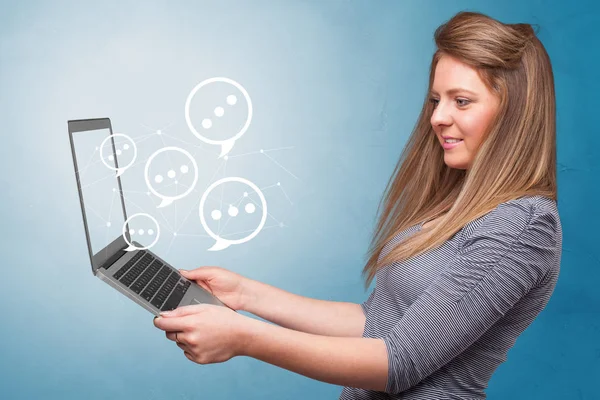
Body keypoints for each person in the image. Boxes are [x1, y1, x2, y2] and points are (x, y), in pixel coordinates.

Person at [153, 10, 561, 400]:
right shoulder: (462, 203)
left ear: (514, 112)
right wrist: (246, 294)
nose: (437, 116)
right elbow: (377, 324)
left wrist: (244, 337)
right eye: (436, 99)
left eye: (462, 101)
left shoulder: (523, 227)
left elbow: (398, 362)